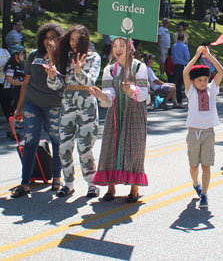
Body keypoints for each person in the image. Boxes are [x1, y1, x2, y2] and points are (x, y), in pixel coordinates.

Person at [89, 37, 149, 203]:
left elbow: (143, 94)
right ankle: (111, 187)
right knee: (111, 147)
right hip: (115, 113)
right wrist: (102, 95)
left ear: (129, 47)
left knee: (134, 147)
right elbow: (110, 94)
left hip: (134, 112)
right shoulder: (110, 69)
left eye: (121, 45)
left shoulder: (139, 67)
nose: (118, 49)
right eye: (115, 46)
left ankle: (134, 189)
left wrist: (131, 90)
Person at [46, 25, 101, 198]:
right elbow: (56, 86)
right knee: (64, 147)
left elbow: (90, 80)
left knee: (85, 147)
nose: (74, 43)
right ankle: (68, 183)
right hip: (68, 103)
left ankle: (92, 183)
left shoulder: (93, 57)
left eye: (78, 39)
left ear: (85, 40)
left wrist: (79, 72)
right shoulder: (65, 57)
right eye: (71, 39)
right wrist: (52, 76)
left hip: (87, 104)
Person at [11, 23, 65, 198]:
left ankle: (57, 178)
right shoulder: (33, 55)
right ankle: (25, 183)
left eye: (54, 37)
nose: (51, 41)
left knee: (57, 140)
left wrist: (51, 53)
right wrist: (19, 107)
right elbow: (26, 82)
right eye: (47, 37)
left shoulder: (62, 56)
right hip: (32, 103)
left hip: (53, 104)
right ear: (41, 38)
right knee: (30, 141)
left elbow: (58, 74)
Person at [182, 46, 223, 208]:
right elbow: (185, 72)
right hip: (193, 132)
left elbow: (220, 71)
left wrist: (208, 55)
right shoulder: (190, 91)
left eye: (205, 79)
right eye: (199, 80)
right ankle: (195, 183)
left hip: (208, 133)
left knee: (206, 164)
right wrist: (197, 54)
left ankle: (205, 195)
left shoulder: (212, 89)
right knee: (194, 165)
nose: (203, 82)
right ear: (193, 81)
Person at [3, 45, 25, 140]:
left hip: (18, 90)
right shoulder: (11, 65)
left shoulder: (21, 65)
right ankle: (13, 133)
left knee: (17, 109)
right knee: (13, 110)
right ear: (16, 55)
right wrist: (21, 83)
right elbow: (9, 79)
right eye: (22, 53)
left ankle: (9, 130)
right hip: (10, 90)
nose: (24, 55)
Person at [171, 33, 190, 107]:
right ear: (183, 39)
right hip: (183, 66)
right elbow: (187, 57)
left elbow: (172, 56)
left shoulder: (174, 46)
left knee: (178, 85)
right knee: (187, 84)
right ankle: (189, 100)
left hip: (176, 66)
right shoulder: (185, 46)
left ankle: (179, 102)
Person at [0, 45, 11, 137]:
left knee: (6, 103)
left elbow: (10, 63)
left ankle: (11, 123)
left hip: (4, 81)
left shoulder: (4, 51)